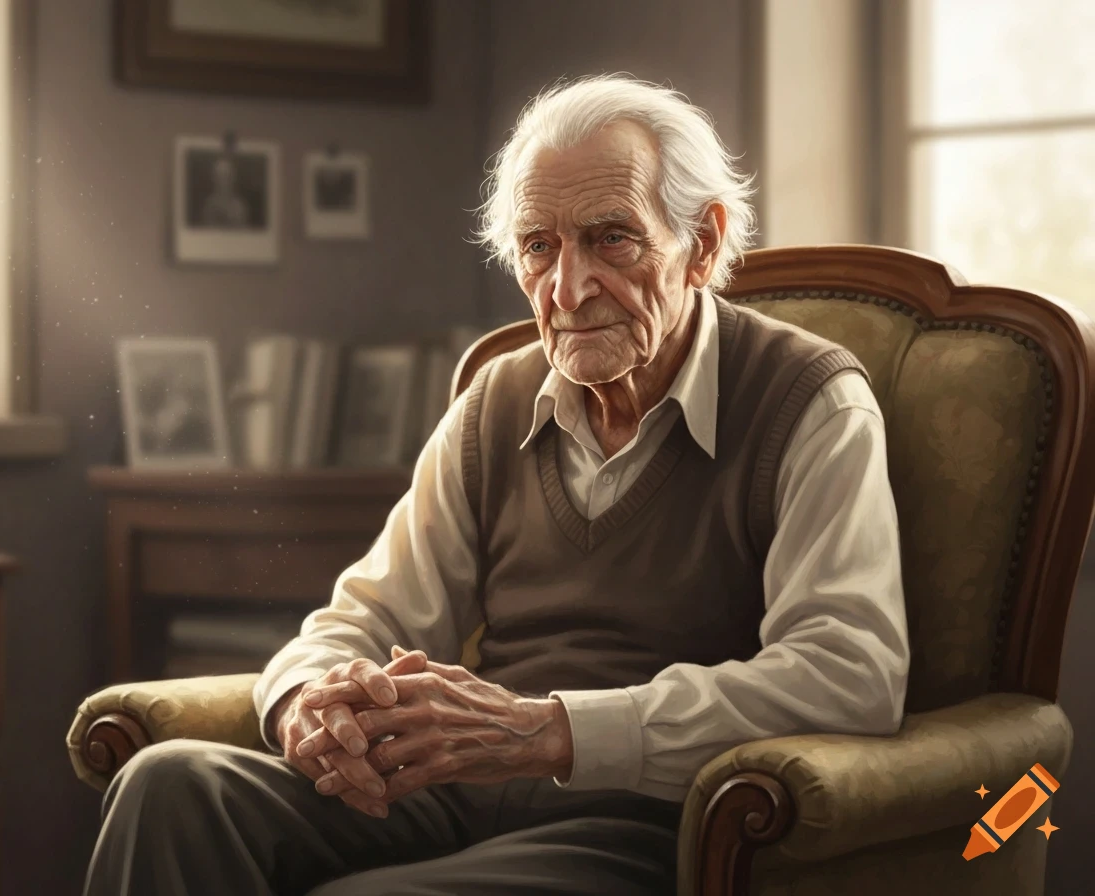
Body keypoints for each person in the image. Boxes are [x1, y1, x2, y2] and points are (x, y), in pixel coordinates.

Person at [84, 74, 910, 895]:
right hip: (461, 794)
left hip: (648, 822)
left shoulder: (810, 402)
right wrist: (308, 699)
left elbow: (850, 672)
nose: (568, 289)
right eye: (539, 246)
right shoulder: (496, 403)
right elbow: (364, 617)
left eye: (611, 238)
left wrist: (551, 732)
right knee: (169, 787)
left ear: (701, 241)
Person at [201, 154, 250, 228]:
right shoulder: (208, 206)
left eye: (227, 176)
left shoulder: (240, 207)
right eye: (219, 176)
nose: (223, 181)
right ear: (214, 179)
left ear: (233, 179)